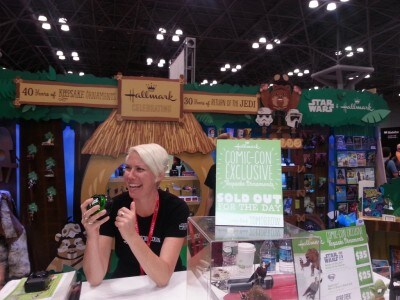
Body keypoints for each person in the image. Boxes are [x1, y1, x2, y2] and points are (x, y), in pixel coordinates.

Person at [81, 143, 189, 287]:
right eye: (128, 168)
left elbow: (162, 278)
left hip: (169, 287)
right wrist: (92, 235)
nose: (129, 176)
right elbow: (94, 278)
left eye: (139, 169)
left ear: (159, 175)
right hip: (127, 283)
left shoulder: (176, 208)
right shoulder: (116, 205)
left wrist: (131, 236)